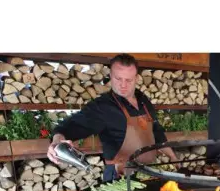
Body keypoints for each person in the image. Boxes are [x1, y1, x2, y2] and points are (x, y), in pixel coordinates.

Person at [47, 53, 179, 181]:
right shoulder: (102, 107)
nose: (123, 85)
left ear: (136, 78)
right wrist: (57, 141)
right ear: (110, 75)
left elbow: (155, 131)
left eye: (128, 80)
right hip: (120, 177)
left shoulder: (143, 100)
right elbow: (69, 127)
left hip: (148, 173)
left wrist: (173, 157)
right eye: (118, 78)